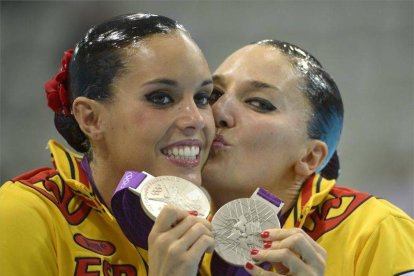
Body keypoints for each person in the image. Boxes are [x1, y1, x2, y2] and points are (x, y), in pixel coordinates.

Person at [0, 13, 216, 276]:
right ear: (91, 118)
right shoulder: (24, 216)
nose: (196, 119)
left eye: (203, 98)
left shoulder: (212, 236)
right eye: (161, 98)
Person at [202, 39, 414, 275]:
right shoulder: (165, 239)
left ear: (310, 157)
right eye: (213, 94)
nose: (219, 111)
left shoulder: (375, 231)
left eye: (258, 103)